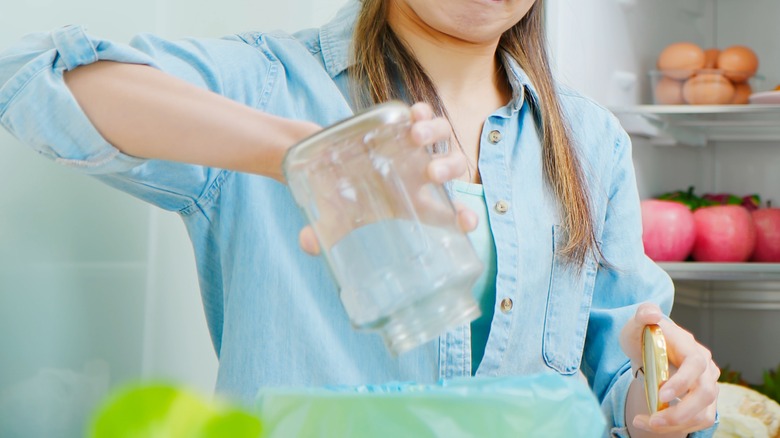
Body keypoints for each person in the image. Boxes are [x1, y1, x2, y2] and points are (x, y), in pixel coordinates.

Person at [0, 0, 719, 436]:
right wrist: (307, 152)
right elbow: (33, 81)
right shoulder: (273, 83)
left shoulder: (589, 142)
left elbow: (621, 377)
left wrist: (666, 397)